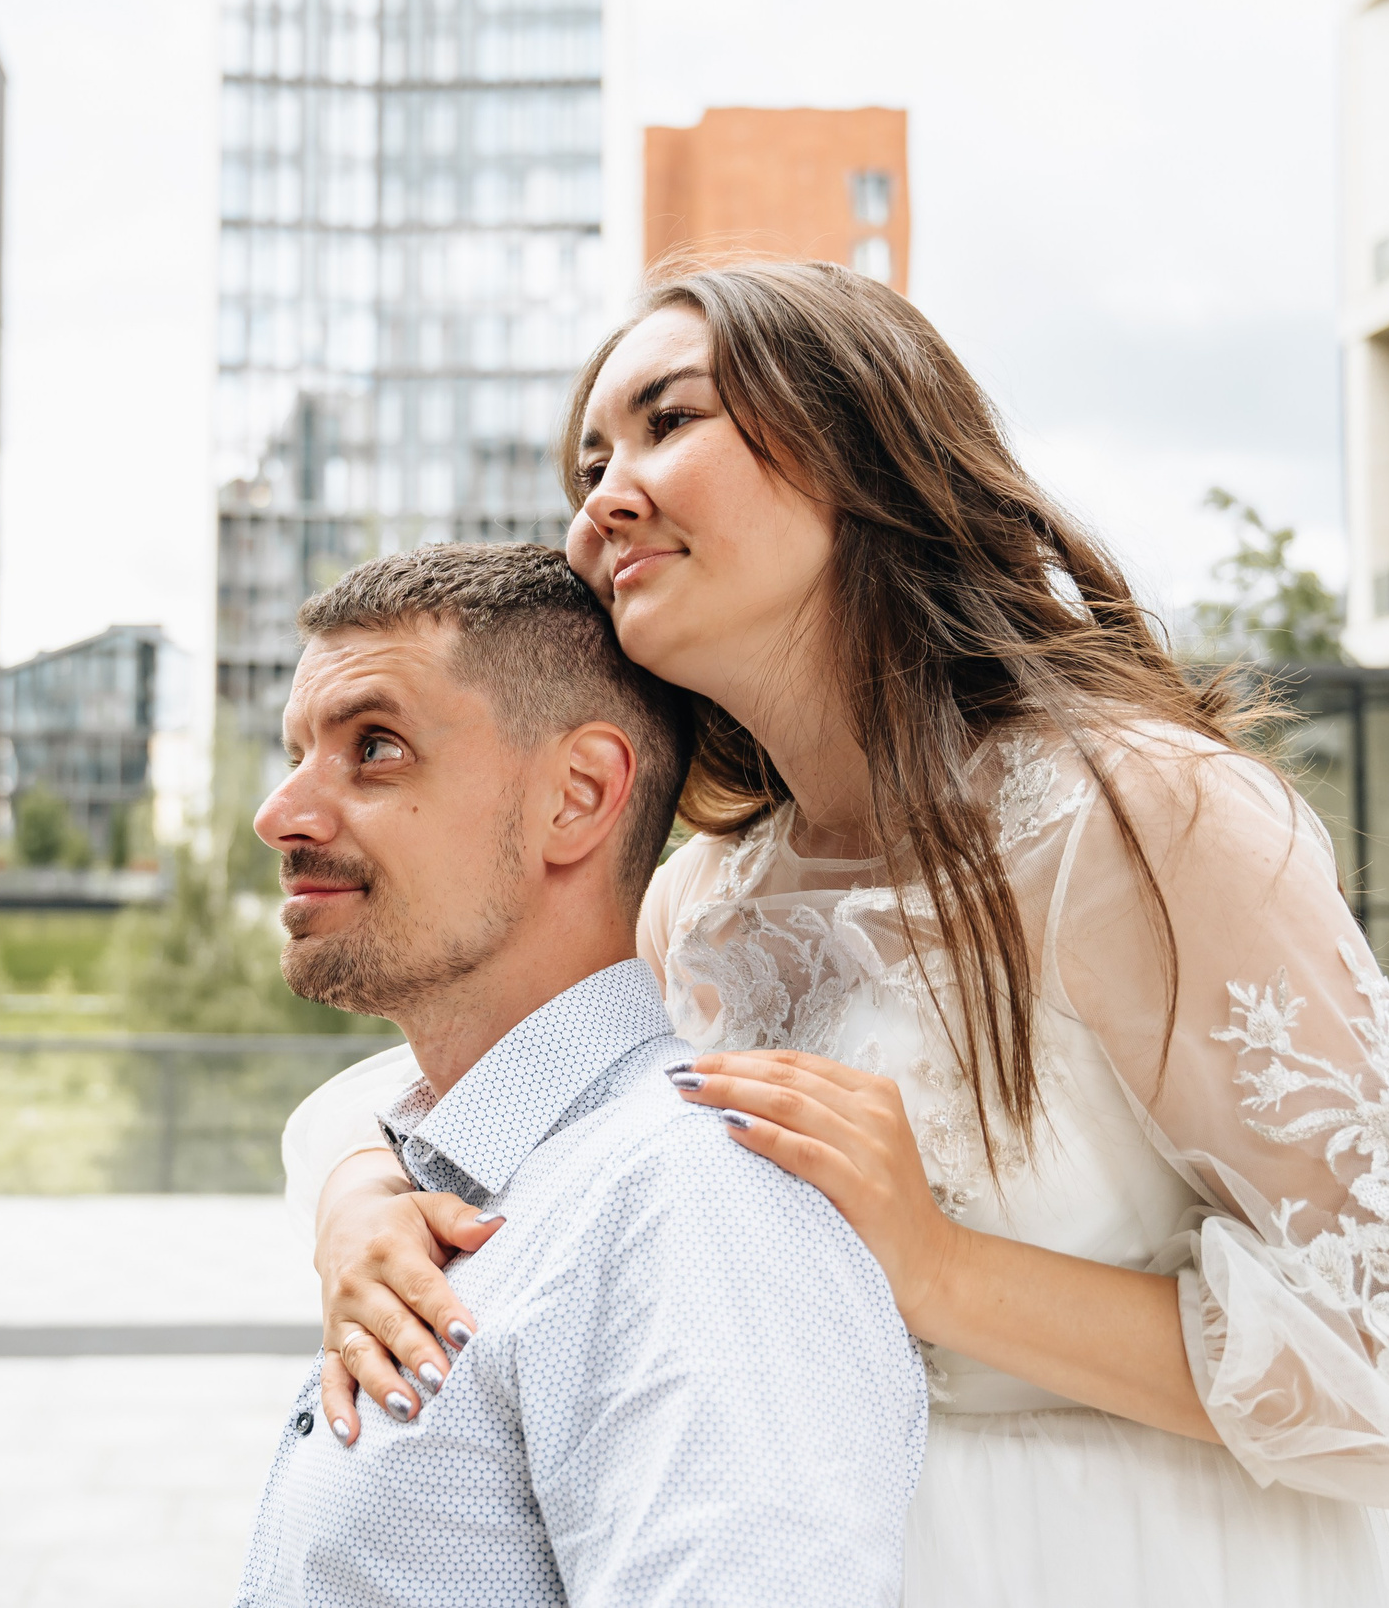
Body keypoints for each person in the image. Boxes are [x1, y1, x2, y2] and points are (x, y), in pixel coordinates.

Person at [282, 263, 1389, 1607]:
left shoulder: (1140, 820)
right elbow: (455, 1088)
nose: (604, 497)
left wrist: (944, 1267)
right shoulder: (702, 904)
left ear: (858, 443)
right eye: (589, 463)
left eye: (670, 421)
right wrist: (357, 1202)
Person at [234, 542, 928, 1608]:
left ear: (579, 794)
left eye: (373, 747)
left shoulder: (692, 1209)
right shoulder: (457, 1173)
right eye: (295, 752)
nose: (280, 813)